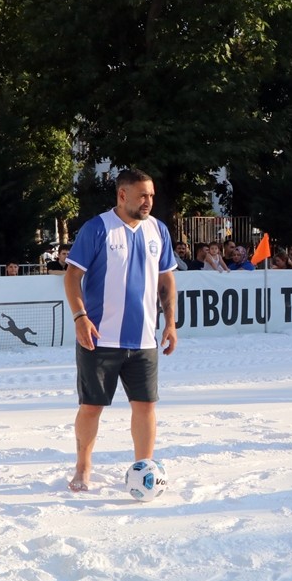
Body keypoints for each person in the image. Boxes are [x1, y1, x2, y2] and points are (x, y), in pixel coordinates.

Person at [64, 168, 178, 492]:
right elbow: (72, 277)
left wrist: (170, 323)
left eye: (152, 195)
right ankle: (83, 466)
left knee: (146, 406)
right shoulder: (97, 228)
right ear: (122, 194)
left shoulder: (158, 230)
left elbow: (167, 279)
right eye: (143, 195)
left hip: (144, 339)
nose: (148, 201)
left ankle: (144, 467)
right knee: (91, 406)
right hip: (99, 338)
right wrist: (80, 317)